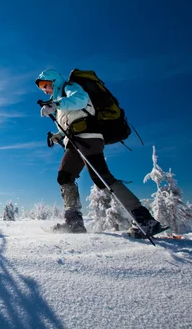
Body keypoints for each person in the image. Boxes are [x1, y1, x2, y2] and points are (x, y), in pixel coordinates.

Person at [35, 68, 162, 237]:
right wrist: (58, 135)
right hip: (76, 140)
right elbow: (72, 122)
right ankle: (74, 222)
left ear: (55, 80)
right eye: (41, 87)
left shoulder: (69, 87)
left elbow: (81, 100)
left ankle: (144, 219)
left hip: (88, 138)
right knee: (65, 176)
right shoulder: (59, 101)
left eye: (46, 84)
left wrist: (56, 104)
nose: (45, 89)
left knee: (102, 177)